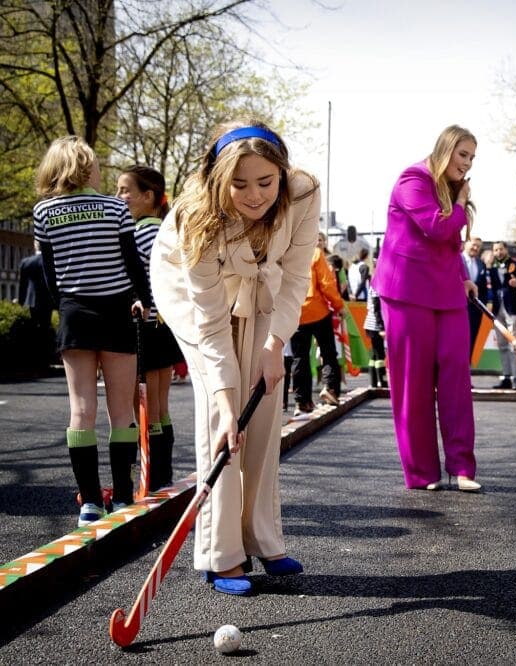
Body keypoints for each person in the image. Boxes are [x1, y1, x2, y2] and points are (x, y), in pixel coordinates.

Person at [150, 120, 317, 593]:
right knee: (219, 412)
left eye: (266, 182)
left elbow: (296, 276)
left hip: (264, 288)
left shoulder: (303, 193)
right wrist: (226, 403)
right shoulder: (195, 217)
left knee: (265, 401)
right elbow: (211, 324)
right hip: (194, 293)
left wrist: (274, 347)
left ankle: (260, 536)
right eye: (239, 184)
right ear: (219, 180)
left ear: (282, 174)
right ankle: (220, 553)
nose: (254, 195)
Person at [32, 136, 152, 526]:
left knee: (81, 410)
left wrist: (67, 302)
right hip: (117, 310)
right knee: (122, 410)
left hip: (75, 314)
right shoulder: (115, 207)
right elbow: (132, 263)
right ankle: (120, 497)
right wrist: (144, 299)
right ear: (88, 167)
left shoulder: (44, 212)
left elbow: (49, 273)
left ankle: (88, 503)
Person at [371, 124, 481, 492]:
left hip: (447, 292)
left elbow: (448, 244)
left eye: (471, 157)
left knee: (456, 380)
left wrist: (463, 275)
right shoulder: (412, 179)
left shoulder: (450, 188)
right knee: (412, 384)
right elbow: (437, 228)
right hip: (405, 293)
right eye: (462, 154)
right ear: (445, 149)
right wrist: (462, 202)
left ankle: (463, 467)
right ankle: (421, 473)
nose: (466, 163)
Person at [117, 165, 184, 489]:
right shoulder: (170, 231)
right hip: (166, 323)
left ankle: (145, 477)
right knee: (160, 405)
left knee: (140, 404)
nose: (120, 197)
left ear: (148, 196)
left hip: (143, 324)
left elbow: (127, 277)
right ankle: (161, 475)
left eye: (125, 190)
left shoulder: (139, 233)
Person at [290, 238, 346, 417]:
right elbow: (327, 284)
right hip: (317, 311)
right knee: (328, 351)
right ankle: (330, 387)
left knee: (300, 357)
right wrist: (339, 306)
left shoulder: (286, 254)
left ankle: (301, 401)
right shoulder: (314, 253)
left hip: (295, 313)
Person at [489, 241, 516, 389]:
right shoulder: (491, 266)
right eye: (496, 250)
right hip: (497, 310)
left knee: (514, 345)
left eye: (501, 249)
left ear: (506, 250)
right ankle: (506, 377)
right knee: (502, 345)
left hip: (513, 309)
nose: (498, 252)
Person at [17, 242, 56, 366]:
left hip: (30, 300)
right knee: (45, 328)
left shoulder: (26, 262)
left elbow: (22, 285)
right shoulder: (48, 261)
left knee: (33, 328)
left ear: (34, 246)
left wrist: (21, 302)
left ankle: (33, 357)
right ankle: (44, 358)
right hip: (45, 300)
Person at [462, 236, 487, 360]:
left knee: (471, 342)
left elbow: (483, 289)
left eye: (478, 246)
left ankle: (466, 372)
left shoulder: (481, 264)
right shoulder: (455, 260)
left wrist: (481, 309)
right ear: (466, 243)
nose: (476, 248)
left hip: (475, 312)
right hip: (458, 309)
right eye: (473, 244)